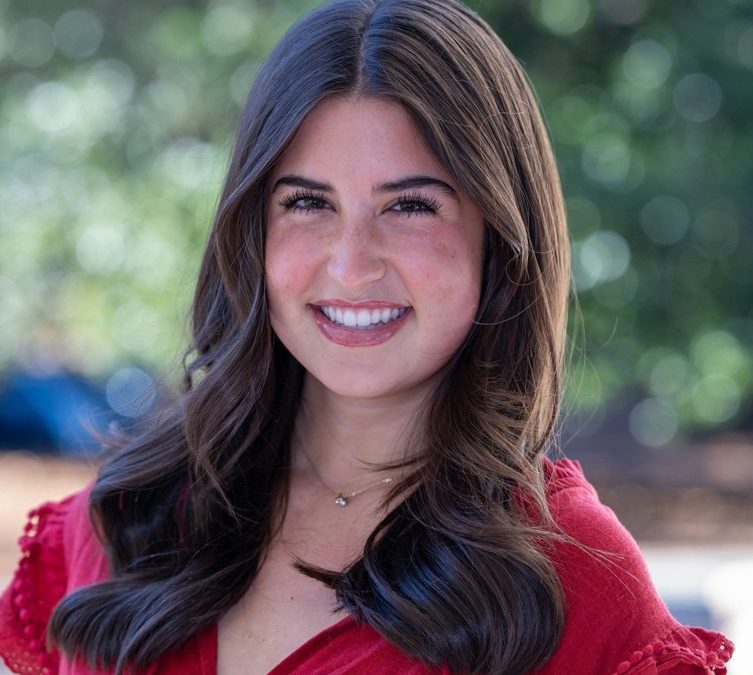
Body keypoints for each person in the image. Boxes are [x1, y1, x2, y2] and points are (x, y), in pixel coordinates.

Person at [0, 0, 735, 673]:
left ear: (499, 239)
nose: (351, 267)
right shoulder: (130, 517)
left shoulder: (571, 580)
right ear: (251, 229)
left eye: (410, 205)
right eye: (307, 202)